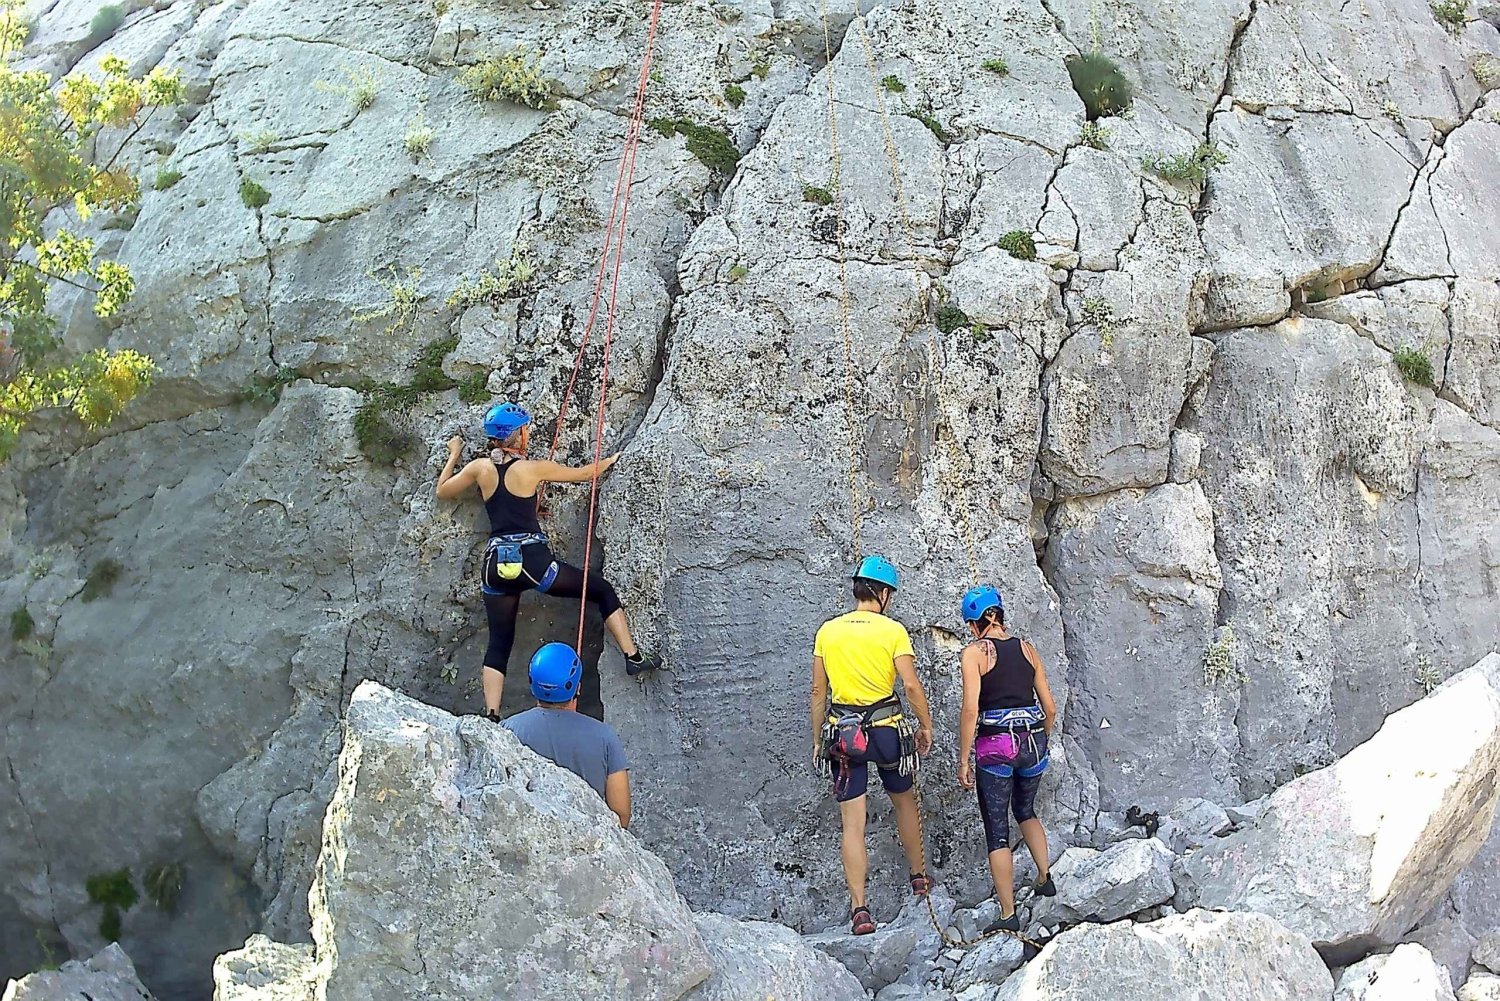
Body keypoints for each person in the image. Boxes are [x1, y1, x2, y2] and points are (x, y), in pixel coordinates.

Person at [436, 402, 659, 721]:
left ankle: (492, 715)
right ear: (518, 435)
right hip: (531, 562)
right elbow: (585, 474)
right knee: (601, 590)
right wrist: (611, 460)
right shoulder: (532, 469)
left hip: (496, 564)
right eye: (524, 429)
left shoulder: (479, 468)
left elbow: (443, 491)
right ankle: (633, 657)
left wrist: (455, 452)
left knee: (499, 641)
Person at [810, 555, 935, 936]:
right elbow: (910, 685)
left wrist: (817, 739)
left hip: (845, 736)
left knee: (853, 824)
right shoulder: (892, 631)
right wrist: (925, 725)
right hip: (887, 732)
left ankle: (860, 910)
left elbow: (818, 691)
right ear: (882, 594)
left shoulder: (827, 631)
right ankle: (919, 878)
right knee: (905, 802)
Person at [955, 584, 1058, 934]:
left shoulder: (973, 654)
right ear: (1000, 615)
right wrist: (1042, 739)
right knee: (1026, 810)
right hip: (1034, 741)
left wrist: (964, 759)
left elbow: (971, 710)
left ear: (974, 624)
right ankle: (1044, 877)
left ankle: (1008, 912)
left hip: (996, 746)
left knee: (997, 829)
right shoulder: (1028, 648)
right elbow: (1050, 707)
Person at [503, 642, 632, 828]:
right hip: (588, 839)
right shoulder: (605, 737)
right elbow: (621, 815)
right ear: (577, 688)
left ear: (532, 683)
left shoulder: (508, 730)